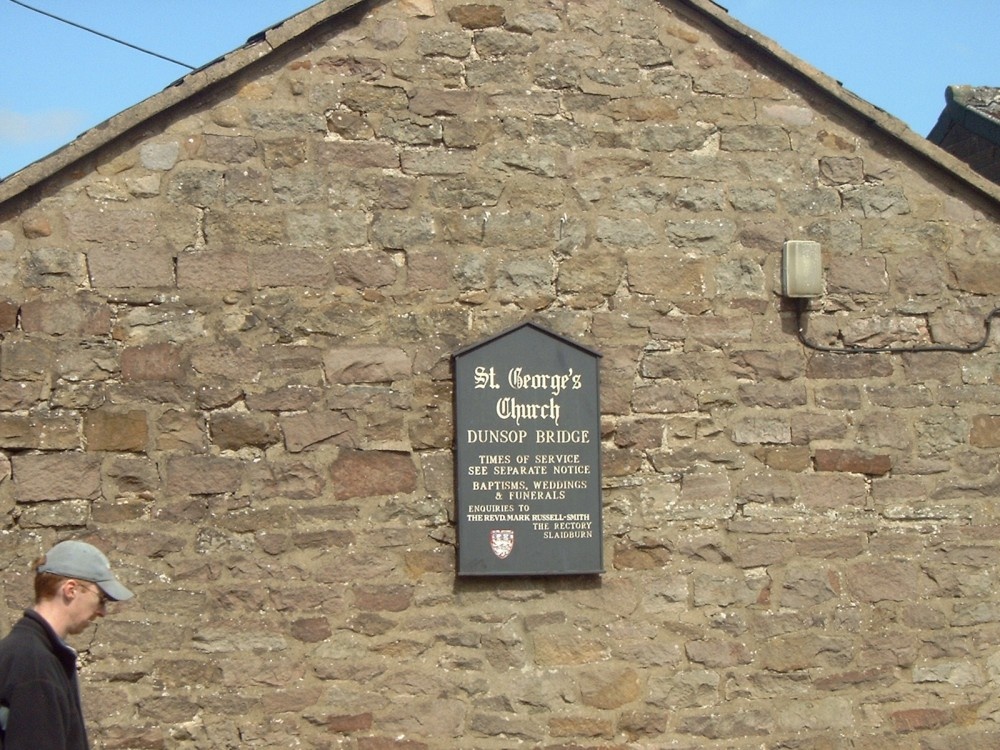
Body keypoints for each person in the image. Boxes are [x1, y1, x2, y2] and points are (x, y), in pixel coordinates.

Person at [0, 540, 134, 750]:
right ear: (71, 589)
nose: (102, 612)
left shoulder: (27, 652)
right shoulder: (35, 665)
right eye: (101, 598)